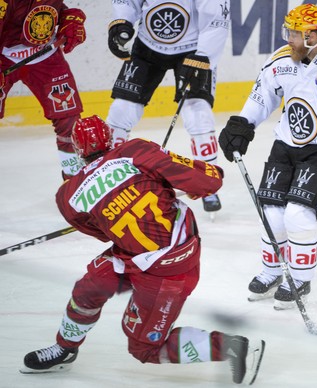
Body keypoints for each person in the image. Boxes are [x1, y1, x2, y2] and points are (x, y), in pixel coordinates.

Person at [20, 116, 265, 385]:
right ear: (110, 139)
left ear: (78, 151)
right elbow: (210, 180)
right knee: (90, 287)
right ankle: (65, 349)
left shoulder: (67, 196)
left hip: (168, 266)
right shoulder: (135, 150)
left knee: (143, 347)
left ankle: (232, 347)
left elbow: (102, 233)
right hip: (146, 254)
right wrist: (197, 180)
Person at [218, 4, 317, 310]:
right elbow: (262, 94)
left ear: (316, 36)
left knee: (297, 215)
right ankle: (272, 272)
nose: (289, 38)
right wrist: (243, 124)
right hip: (286, 143)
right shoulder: (282, 61)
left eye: (296, 33)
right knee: (272, 212)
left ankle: (300, 279)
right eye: (288, 32)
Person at [104, 0, 231, 214]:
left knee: (197, 112)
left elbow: (217, 21)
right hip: (147, 47)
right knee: (122, 109)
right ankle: (105, 176)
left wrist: (203, 57)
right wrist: (122, 21)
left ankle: (209, 181)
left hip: (192, 50)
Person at [0, 1, 87, 178]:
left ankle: (74, 180)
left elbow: (54, 9)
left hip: (47, 58)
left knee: (69, 122)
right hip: (4, 59)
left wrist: (69, 20)